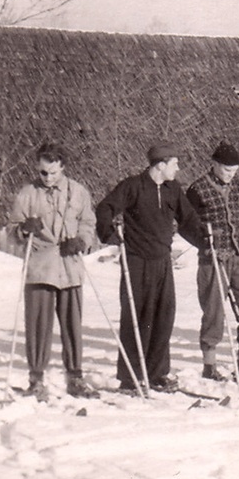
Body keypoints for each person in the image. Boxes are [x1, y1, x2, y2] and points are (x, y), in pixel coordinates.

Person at [96, 142, 205, 392]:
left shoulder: (173, 189)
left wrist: (204, 240)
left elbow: (187, 220)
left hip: (162, 261)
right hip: (136, 261)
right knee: (136, 317)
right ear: (161, 164)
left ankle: (157, 374)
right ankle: (130, 377)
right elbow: (105, 208)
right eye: (174, 163)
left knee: (163, 316)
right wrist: (109, 233)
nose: (178, 167)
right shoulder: (133, 186)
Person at [8, 143, 98, 400]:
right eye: (43, 172)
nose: (48, 178)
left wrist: (81, 240)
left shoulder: (78, 192)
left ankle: (75, 378)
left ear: (63, 168)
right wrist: (25, 228)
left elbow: (88, 222)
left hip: (69, 264)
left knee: (72, 324)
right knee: (38, 325)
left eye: (53, 172)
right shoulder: (27, 193)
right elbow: (12, 232)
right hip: (40, 264)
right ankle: (36, 379)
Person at [186, 142, 239, 384]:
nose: (231, 175)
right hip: (212, 261)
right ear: (215, 165)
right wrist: (204, 242)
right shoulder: (197, 189)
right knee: (214, 314)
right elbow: (185, 224)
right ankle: (209, 365)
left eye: (235, 170)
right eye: (227, 170)